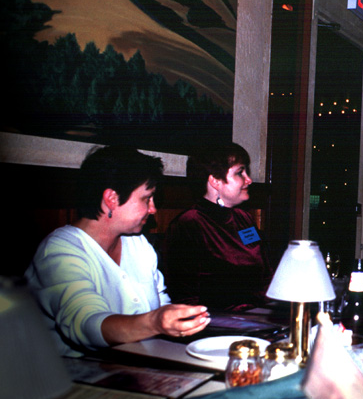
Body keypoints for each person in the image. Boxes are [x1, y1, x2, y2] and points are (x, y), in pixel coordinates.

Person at [25, 146, 210, 357]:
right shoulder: (60, 250)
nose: (153, 209)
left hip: (136, 365)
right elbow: (85, 325)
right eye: (146, 198)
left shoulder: (138, 244)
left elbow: (161, 304)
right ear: (111, 198)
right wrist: (154, 322)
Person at [163, 143, 272, 311]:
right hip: (213, 321)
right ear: (215, 181)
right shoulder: (189, 224)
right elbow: (184, 296)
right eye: (240, 172)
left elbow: (264, 272)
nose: (249, 180)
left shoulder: (244, 220)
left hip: (258, 314)